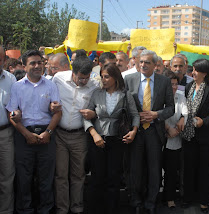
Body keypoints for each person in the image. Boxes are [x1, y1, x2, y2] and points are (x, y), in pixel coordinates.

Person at [6, 50, 62, 213]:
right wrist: (26, 134)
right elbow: (12, 114)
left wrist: (48, 133)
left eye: (40, 62)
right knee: (24, 178)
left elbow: (58, 112)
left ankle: (46, 209)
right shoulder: (17, 87)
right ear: (24, 66)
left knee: (46, 178)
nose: (37, 66)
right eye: (33, 63)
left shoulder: (51, 85)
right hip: (24, 136)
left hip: (47, 135)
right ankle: (25, 210)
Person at [84, 64, 140, 214]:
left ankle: (112, 209)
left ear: (115, 77)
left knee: (114, 177)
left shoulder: (125, 95)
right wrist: (94, 134)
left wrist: (134, 131)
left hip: (117, 139)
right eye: (102, 76)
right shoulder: (97, 93)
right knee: (97, 176)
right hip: (98, 139)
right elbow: (87, 116)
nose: (104, 79)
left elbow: (135, 115)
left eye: (107, 76)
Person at [124, 50, 174, 214]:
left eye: (147, 62)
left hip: (154, 130)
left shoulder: (164, 81)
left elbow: (171, 108)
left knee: (154, 169)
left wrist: (156, 114)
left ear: (155, 65)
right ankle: (137, 201)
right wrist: (135, 118)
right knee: (136, 169)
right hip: (136, 131)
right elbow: (124, 104)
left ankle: (151, 203)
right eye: (141, 62)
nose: (143, 65)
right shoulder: (129, 79)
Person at [52, 56, 99, 214]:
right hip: (59, 135)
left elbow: (99, 107)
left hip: (80, 136)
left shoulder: (94, 85)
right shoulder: (58, 79)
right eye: (81, 78)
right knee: (61, 175)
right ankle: (62, 209)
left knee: (78, 175)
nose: (84, 81)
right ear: (73, 72)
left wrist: (94, 113)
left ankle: (77, 207)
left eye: (86, 78)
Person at [181, 59, 209, 213]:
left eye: (197, 70)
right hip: (189, 135)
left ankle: (204, 200)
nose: (193, 73)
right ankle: (187, 198)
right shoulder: (188, 87)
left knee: (205, 170)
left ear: (205, 73)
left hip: (206, 136)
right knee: (189, 168)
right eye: (193, 70)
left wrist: (203, 122)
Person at [162, 71, 188, 210]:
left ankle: (171, 197)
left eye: (175, 84)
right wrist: (167, 128)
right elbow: (158, 115)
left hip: (177, 137)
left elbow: (185, 113)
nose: (173, 87)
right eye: (171, 84)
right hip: (162, 137)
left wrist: (181, 122)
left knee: (173, 170)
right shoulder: (159, 96)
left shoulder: (180, 97)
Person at [0, 46, 17, 214]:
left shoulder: (10, 79)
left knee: (7, 176)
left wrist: (16, 112)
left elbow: (14, 106)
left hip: (5, 134)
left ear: (4, 61)